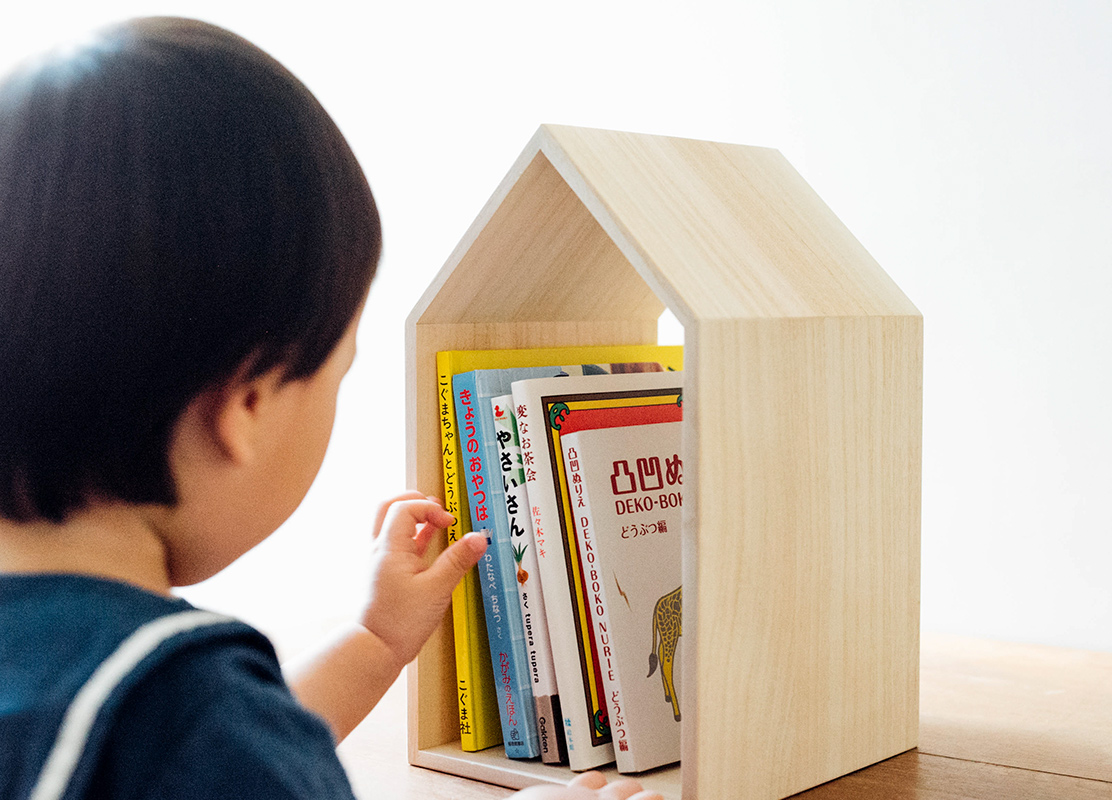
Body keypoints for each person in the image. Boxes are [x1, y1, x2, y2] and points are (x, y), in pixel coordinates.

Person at [0, 17, 660, 800]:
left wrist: (374, 641)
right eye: (338, 373)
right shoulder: (183, 716)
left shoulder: (159, 713)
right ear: (246, 406)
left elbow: (252, 760)